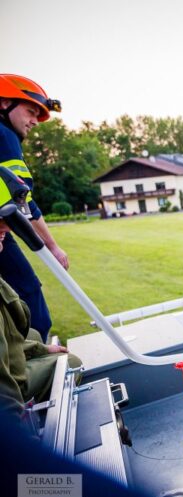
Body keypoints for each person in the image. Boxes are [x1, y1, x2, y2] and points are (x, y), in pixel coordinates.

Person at [0, 165, 80, 420]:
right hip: (11, 389)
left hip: (11, 364)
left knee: (34, 331)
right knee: (72, 363)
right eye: (2, 228)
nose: (9, 232)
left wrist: (38, 348)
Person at [0, 74, 68, 342]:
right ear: (4, 102)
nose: (33, 122)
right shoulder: (4, 135)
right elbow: (21, 200)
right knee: (29, 295)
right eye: (30, 112)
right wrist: (52, 246)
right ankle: (35, 357)